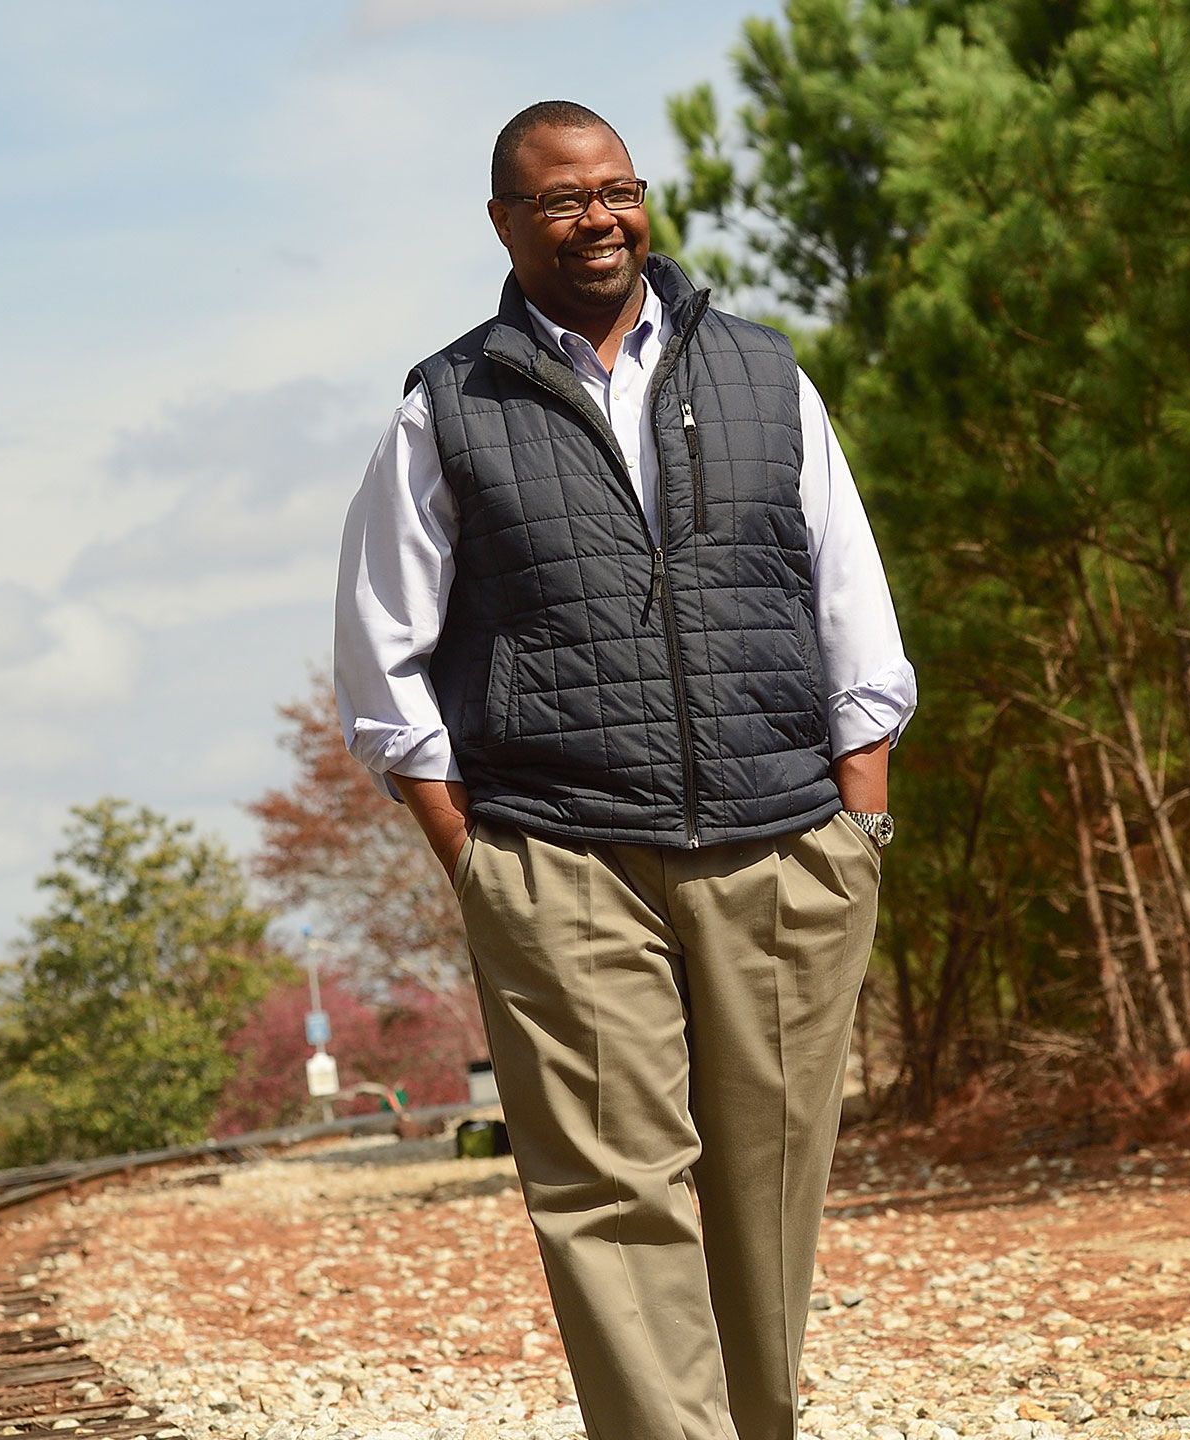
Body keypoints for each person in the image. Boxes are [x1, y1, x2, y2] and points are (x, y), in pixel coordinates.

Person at [332, 98, 915, 1440]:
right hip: (563, 860)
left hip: (785, 848)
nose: (599, 217)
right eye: (561, 199)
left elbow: (854, 618)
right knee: (612, 1202)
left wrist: (858, 823)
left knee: (772, 1190)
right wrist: (480, 861)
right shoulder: (447, 408)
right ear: (505, 223)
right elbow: (381, 665)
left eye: (618, 189)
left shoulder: (767, 374)